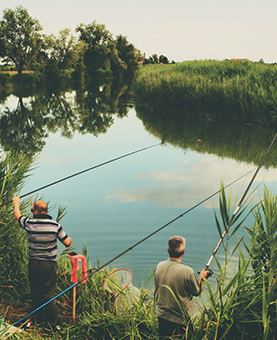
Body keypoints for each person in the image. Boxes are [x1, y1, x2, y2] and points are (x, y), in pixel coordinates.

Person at [12, 196, 72, 326]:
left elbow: (17, 216)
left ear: (36, 211)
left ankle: (36, 319)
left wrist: (16, 202)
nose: (32, 212)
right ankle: (52, 322)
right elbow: (67, 243)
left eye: (32, 210)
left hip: (34, 264)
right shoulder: (55, 226)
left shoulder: (30, 223)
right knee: (49, 292)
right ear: (46, 210)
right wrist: (69, 238)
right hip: (50, 265)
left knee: (36, 291)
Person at [154, 235, 209, 339]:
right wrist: (202, 278)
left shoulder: (159, 266)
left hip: (162, 316)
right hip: (179, 319)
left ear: (168, 250)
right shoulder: (187, 271)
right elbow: (196, 292)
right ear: (183, 251)